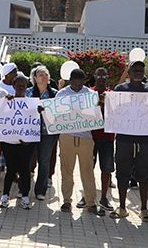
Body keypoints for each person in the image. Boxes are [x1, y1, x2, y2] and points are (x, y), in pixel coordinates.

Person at [110, 60, 148, 222]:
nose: (138, 72)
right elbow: (114, 111)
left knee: (144, 175)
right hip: (124, 140)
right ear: (128, 73)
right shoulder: (120, 90)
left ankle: (144, 209)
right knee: (122, 174)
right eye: (135, 70)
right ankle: (122, 207)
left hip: (144, 141)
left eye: (141, 70)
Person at [56, 68, 103, 215]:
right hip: (67, 137)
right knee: (66, 170)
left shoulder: (90, 95)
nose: (76, 86)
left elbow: (96, 116)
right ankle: (66, 201)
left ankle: (90, 202)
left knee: (87, 171)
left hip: (86, 138)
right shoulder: (61, 94)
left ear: (84, 82)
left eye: (79, 83)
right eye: (74, 83)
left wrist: (99, 105)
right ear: (70, 81)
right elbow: (55, 114)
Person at [0, 74, 36, 209]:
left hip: (26, 143)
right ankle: (5, 196)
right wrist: (3, 103)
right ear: (13, 86)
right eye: (18, 85)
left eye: (23, 85)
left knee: (25, 170)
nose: (21, 87)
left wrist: (40, 111)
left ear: (27, 87)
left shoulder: (32, 103)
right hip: (10, 142)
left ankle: (25, 196)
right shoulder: (7, 101)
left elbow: (34, 122)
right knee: (11, 169)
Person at [29, 65, 58, 201]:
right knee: (28, 160)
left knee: (44, 161)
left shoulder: (56, 94)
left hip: (48, 134)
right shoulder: (28, 93)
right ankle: (24, 189)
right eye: (40, 74)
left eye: (46, 74)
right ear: (35, 78)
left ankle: (41, 190)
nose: (44, 76)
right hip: (30, 132)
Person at [89, 67, 115, 212]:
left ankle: (104, 197)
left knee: (106, 169)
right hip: (91, 137)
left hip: (107, 138)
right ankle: (88, 195)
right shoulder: (88, 93)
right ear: (94, 77)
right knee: (89, 168)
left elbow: (117, 114)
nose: (101, 79)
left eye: (103, 76)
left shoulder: (112, 95)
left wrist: (106, 104)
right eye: (98, 76)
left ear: (107, 77)